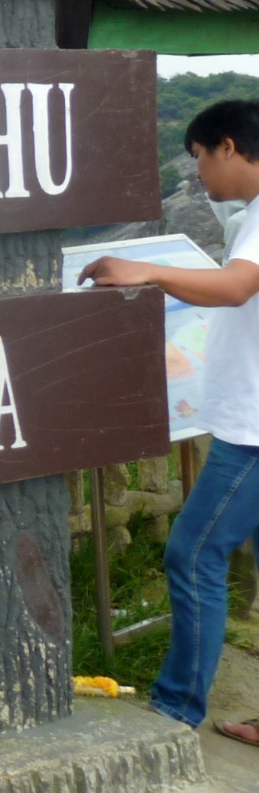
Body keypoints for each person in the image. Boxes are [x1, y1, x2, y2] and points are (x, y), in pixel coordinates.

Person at [82, 99, 259, 737]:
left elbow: (237, 287)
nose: (203, 175)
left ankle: (176, 708)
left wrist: (147, 271)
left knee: (192, 553)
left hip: (253, 437)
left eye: (202, 159)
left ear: (229, 147)